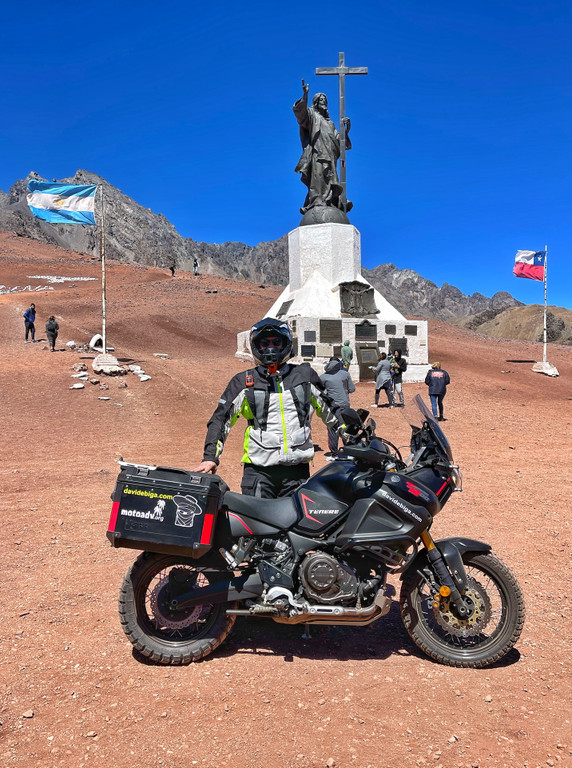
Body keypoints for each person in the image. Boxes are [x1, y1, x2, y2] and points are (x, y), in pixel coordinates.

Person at [193, 318, 342, 498]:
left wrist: (355, 436)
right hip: (258, 473)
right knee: (258, 525)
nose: (270, 348)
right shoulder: (243, 382)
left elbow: (332, 411)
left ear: (286, 344)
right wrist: (210, 457)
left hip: (297, 473)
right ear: (256, 347)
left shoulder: (304, 376)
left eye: (276, 342)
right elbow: (220, 419)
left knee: (299, 524)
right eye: (264, 343)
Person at [293, 81, 351, 215]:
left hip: (330, 156)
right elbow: (301, 115)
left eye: (325, 100)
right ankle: (316, 202)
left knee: (329, 180)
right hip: (318, 153)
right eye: (320, 99)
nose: (323, 101)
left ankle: (330, 202)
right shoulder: (312, 116)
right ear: (315, 102)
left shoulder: (330, 123)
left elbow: (339, 141)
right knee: (318, 178)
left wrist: (346, 131)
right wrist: (305, 95)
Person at [320, 357, 355, 460]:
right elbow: (352, 389)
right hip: (345, 405)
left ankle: (334, 453)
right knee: (346, 428)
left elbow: (321, 392)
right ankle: (349, 450)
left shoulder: (323, 377)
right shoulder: (345, 374)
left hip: (332, 407)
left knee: (332, 428)